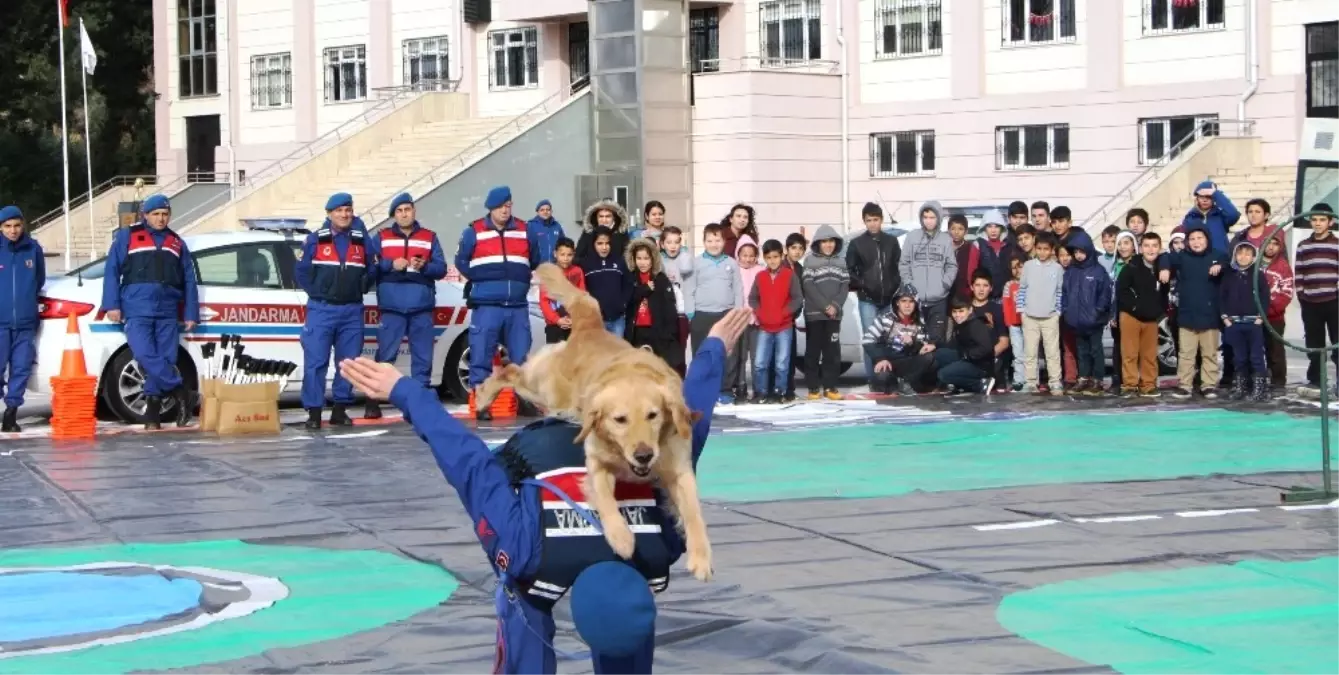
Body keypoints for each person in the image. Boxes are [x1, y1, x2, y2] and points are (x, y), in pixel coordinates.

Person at [336, 309, 751, 675]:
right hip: (554, 451)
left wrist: (404, 391)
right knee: (540, 595)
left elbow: (466, 459)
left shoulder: (524, 547)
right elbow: (688, 433)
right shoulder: (660, 541)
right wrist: (713, 348)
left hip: (594, 437)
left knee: (526, 599)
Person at [99, 194, 199, 429]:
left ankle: (152, 413)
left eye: (165, 214)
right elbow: (112, 270)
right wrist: (112, 304)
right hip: (137, 307)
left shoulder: (176, 242)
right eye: (156, 214)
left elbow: (189, 280)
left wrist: (191, 313)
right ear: (145, 215)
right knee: (144, 354)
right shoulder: (128, 236)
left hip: (167, 309)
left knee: (166, 358)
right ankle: (181, 391)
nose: (161, 218)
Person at [455, 185, 543, 421]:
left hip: (516, 305)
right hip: (487, 305)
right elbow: (462, 261)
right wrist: (483, 279)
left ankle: (524, 401)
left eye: (508, 205)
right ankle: (482, 404)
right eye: (500, 206)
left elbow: (535, 259)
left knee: (520, 356)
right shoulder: (474, 231)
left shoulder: (526, 230)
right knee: (481, 354)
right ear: (490, 208)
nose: (505, 210)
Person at [366, 192, 447, 419]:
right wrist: (390, 264)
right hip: (392, 307)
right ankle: (373, 400)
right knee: (385, 357)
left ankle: (419, 404)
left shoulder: (430, 237)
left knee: (423, 359)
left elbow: (441, 268)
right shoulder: (380, 237)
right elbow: (370, 267)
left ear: (414, 211)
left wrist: (425, 266)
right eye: (399, 211)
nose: (404, 214)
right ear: (394, 214)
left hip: (421, 307)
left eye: (407, 209)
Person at [296, 192, 372, 429]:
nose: (344, 214)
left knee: (348, 363)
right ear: (329, 214)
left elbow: (371, 269)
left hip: (352, 310)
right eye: (339, 210)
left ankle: (340, 410)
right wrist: (319, 292)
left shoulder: (361, 240)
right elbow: (301, 272)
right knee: (316, 362)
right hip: (322, 309)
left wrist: (360, 287)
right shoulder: (315, 240)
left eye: (348, 210)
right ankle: (314, 413)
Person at [684, 224, 745, 404]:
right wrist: (690, 312)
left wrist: (737, 311)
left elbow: (738, 289)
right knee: (702, 354)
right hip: (702, 314)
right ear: (704, 242)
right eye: (710, 240)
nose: (714, 244)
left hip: (726, 314)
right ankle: (701, 389)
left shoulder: (731, 263)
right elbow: (689, 288)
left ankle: (725, 390)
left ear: (724, 242)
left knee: (726, 354)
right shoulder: (696, 263)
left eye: (717, 240)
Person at [1164, 224, 1226, 399]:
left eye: (1200, 238)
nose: (1196, 242)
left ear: (1207, 239)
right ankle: (1185, 385)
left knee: (1209, 354)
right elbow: (1165, 258)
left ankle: (1209, 385)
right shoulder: (1182, 257)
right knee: (1186, 354)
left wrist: (1220, 267)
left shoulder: (1217, 256)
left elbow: (1229, 264)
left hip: (1210, 315)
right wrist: (1164, 268)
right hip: (1187, 315)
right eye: (1192, 239)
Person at [846, 202, 903, 378]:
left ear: (881, 220)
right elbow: (849, 270)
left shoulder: (891, 242)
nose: (872, 223)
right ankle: (873, 379)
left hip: (889, 299)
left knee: (890, 339)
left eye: (875, 219)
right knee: (871, 340)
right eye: (869, 220)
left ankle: (889, 378)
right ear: (864, 221)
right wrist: (863, 284)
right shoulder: (857, 244)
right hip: (867, 300)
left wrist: (895, 286)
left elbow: (899, 267)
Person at [0, 206, 43, 432]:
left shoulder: (33, 249)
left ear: (23, 225)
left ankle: (11, 413)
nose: (13, 231)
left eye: (17, 226)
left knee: (21, 368)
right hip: (0, 323)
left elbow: (39, 279)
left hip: (25, 323)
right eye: (7, 226)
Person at [748, 239, 803, 403]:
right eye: (769, 257)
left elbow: (798, 299)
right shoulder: (760, 276)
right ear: (765, 258)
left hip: (784, 327)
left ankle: (780, 392)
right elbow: (753, 298)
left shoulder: (789, 275)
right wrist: (761, 313)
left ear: (782, 256)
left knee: (781, 363)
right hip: (764, 327)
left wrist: (784, 313)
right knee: (760, 363)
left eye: (776, 257)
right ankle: (761, 393)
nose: (773, 261)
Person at [1294, 203, 1339, 394]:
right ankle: (1316, 379)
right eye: (1314, 220)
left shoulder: (1337, 245)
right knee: (1314, 343)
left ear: (1331, 222)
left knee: (1337, 342)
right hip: (1310, 303)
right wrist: (1302, 295)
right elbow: (1299, 272)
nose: (1318, 223)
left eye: (1322, 220)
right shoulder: (1304, 245)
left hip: (1333, 301)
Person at [1118, 232, 1169, 398]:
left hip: (1151, 318)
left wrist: (1158, 311)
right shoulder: (1131, 267)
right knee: (1130, 353)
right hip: (1131, 316)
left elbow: (1163, 293)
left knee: (1149, 354)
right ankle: (1129, 385)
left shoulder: (1162, 268)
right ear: (1140, 248)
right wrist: (1134, 307)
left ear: (1159, 248)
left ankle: (1148, 384)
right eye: (1146, 245)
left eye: (1154, 246)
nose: (1150, 249)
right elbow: (1121, 292)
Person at [1061, 235, 1114, 395]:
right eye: (1076, 252)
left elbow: (1105, 294)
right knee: (1081, 350)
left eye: (1082, 251)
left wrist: (1097, 312)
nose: (1078, 255)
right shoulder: (1071, 271)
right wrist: (1066, 310)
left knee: (1096, 350)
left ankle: (1097, 379)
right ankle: (1083, 378)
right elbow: (1065, 293)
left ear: (1089, 251)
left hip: (1093, 321)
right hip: (1076, 320)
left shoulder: (1098, 271)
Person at [802, 225, 849, 400]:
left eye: (831, 242)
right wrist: (825, 306)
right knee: (813, 351)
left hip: (834, 316)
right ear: (818, 244)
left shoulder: (841, 262)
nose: (828, 245)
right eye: (824, 242)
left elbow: (844, 286)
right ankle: (813, 387)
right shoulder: (810, 261)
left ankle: (830, 386)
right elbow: (808, 285)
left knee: (832, 352)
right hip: (815, 315)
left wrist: (835, 306)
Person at [1219, 242, 1270, 401]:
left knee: (1256, 356)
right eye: (1240, 253)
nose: (1243, 257)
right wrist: (1225, 318)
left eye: (1248, 254)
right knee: (1239, 357)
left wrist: (1261, 317)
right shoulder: (1229, 275)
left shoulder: (1258, 275)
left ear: (1253, 257)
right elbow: (1222, 297)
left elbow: (1265, 297)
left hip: (1253, 322)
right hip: (1234, 323)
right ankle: (1240, 386)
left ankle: (1259, 389)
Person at [899, 201, 957, 342]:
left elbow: (951, 265)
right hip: (915, 300)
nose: (928, 221)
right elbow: (904, 263)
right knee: (914, 340)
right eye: (925, 217)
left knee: (936, 341)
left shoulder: (945, 239)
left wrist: (945, 283)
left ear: (938, 218)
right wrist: (909, 283)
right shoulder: (912, 237)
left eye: (932, 217)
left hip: (938, 300)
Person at [864, 285, 937, 395]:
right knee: (883, 376)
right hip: (889, 361)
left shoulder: (920, 320)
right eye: (903, 301)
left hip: (909, 362)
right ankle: (890, 385)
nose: (907, 305)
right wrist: (880, 358)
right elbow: (867, 340)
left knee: (931, 359)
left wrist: (913, 342)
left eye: (911, 301)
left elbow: (924, 345)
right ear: (897, 303)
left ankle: (908, 383)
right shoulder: (885, 318)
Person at [623, 238, 681, 371]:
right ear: (633, 259)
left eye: (646, 258)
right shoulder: (630, 278)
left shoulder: (660, 278)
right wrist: (645, 289)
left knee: (657, 366)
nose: (642, 262)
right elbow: (627, 300)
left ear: (653, 259)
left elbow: (669, 307)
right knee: (637, 367)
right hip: (636, 331)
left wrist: (670, 332)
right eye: (639, 258)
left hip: (656, 330)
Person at [1017, 233, 1064, 394]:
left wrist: (1057, 311)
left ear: (1052, 250)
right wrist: (1021, 310)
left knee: (1052, 352)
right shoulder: (1029, 266)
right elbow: (1022, 289)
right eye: (1039, 249)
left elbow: (1059, 292)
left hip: (1050, 317)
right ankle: (1031, 382)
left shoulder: (1057, 268)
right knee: (1030, 352)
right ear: (1035, 248)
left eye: (1046, 249)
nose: (1042, 252)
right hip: (1030, 316)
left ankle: (1055, 381)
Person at [935, 298, 997, 396]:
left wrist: (968, 355)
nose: (957, 315)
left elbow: (986, 347)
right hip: (967, 358)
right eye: (954, 312)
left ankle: (981, 384)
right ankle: (960, 386)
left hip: (980, 366)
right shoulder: (961, 325)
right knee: (940, 354)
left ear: (970, 310)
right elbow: (952, 344)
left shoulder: (976, 325)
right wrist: (934, 345)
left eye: (961, 311)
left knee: (943, 374)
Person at [1257, 234, 1295, 390]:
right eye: (1268, 242)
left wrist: (1270, 309)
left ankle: (1278, 381)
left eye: (1275, 244)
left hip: (1274, 317)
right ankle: (1257, 379)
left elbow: (1286, 293)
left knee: (1275, 350)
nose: (1271, 247)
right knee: (1255, 349)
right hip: (1255, 316)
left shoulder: (1283, 266)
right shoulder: (1255, 264)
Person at [581, 227, 632, 335]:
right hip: (596, 321)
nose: (604, 247)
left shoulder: (619, 261)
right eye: (600, 243)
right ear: (593, 244)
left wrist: (623, 304)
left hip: (618, 319)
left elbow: (628, 285)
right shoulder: (585, 264)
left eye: (607, 243)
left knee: (618, 351)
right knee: (600, 351)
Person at [967, 270, 1010, 392]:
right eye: (978, 285)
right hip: (970, 358)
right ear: (972, 287)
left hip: (991, 359)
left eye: (985, 286)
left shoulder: (996, 309)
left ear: (991, 288)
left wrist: (985, 357)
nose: (981, 289)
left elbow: (1004, 342)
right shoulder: (964, 309)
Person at [732, 236, 763, 400]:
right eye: (744, 255)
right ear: (738, 254)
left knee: (757, 356)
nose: (748, 259)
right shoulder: (734, 269)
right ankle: (740, 386)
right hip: (740, 320)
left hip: (757, 320)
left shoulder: (760, 270)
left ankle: (758, 388)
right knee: (741, 356)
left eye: (751, 255)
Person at [659, 226, 693, 376]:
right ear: (662, 244)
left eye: (677, 242)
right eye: (669, 242)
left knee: (681, 347)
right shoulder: (659, 259)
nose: (673, 246)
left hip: (681, 311)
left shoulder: (685, 257)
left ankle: (681, 379)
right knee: (665, 348)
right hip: (665, 312)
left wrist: (684, 252)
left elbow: (685, 270)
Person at [539, 238, 585, 344]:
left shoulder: (578, 272)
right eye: (562, 254)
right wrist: (557, 320)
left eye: (569, 255)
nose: (565, 258)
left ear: (574, 254)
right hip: (554, 325)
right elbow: (544, 301)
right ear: (555, 254)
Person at [1183, 180, 1241, 254]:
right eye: (1201, 196)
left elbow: (1234, 215)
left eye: (1208, 196)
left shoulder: (1220, 216)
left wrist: (1216, 194)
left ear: (1214, 198)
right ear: (1197, 198)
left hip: (1220, 259)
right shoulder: (1190, 217)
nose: (1205, 200)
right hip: (1198, 260)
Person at [782, 233, 808, 400]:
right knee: (777, 356)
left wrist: (795, 313)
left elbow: (801, 295)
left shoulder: (800, 269)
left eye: (800, 248)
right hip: (776, 318)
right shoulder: (779, 265)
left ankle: (789, 389)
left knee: (790, 355)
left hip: (791, 318)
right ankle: (777, 388)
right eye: (794, 248)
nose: (797, 252)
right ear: (786, 249)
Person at [576, 199, 632, 265]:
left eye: (608, 216)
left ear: (614, 218)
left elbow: (627, 258)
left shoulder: (621, 234)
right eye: (601, 216)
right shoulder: (588, 233)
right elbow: (578, 256)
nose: (604, 220)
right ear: (596, 218)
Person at [975, 210, 1014, 299]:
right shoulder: (977, 245)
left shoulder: (1008, 245)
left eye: (996, 226)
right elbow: (971, 272)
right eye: (989, 226)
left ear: (1002, 228)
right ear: (984, 228)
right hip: (985, 296)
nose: (993, 230)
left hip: (1006, 295)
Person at [1002, 254, 1026, 391]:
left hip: (1029, 324)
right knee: (1018, 353)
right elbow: (1006, 305)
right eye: (1014, 268)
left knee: (1030, 353)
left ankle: (1031, 380)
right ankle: (1018, 379)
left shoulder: (1030, 283)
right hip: (1014, 325)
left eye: (1020, 267)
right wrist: (1009, 323)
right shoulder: (1009, 285)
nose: (1017, 271)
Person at [948, 215, 980, 301]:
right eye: (953, 228)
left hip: (965, 294)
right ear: (949, 230)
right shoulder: (944, 248)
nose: (956, 232)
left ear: (966, 231)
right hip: (946, 294)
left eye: (960, 229)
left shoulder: (972, 249)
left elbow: (973, 272)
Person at [528, 199, 566, 264]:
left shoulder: (557, 226)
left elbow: (563, 244)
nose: (545, 212)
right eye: (542, 210)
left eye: (548, 210)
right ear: (537, 212)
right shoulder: (530, 225)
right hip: (537, 267)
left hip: (555, 266)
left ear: (551, 211)